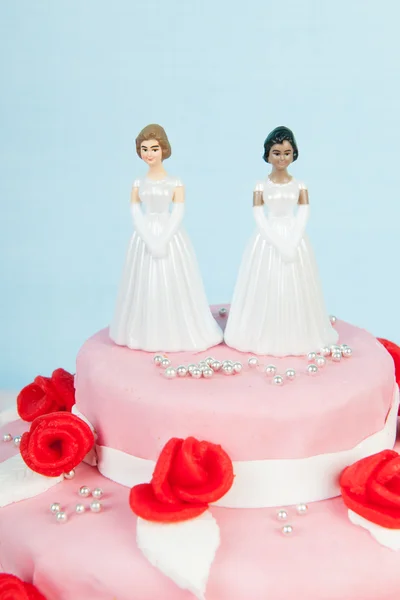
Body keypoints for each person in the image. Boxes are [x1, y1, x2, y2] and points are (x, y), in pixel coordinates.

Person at [224, 126, 338, 356]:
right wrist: (276, 240)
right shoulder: (260, 186)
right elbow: (259, 215)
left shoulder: (300, 186)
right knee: (266, 282)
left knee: (296, 283)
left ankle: (297, 331)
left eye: (287, 152)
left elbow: (304, 212)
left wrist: (293, 239)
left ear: (294, 153)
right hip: (266, 239)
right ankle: (263, 330)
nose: (282, 157)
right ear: (267, 154)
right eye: (276, 152)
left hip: (295, 238)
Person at [109, 124, 223, 352]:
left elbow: (178, 211)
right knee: (145, 281)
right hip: (143, 237)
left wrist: (162, 239)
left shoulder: (175, 182)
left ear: (164, 149)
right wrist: (149, 238)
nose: (149, 153)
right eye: (144, 148)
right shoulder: (138, 183)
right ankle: (144, 330)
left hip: (171, 235)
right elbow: (135, 211)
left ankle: (174, 329)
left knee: (173, 280)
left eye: (154, 148)